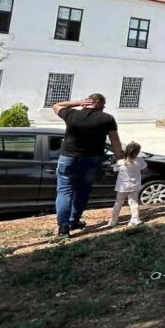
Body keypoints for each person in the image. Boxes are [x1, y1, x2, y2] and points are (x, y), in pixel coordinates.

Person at [51, 94, 123, 237]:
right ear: (97, 103)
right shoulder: (107, 119)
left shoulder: (72, 114)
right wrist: (119, 157)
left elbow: (56, 106)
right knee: (82, 191)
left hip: (68, 158)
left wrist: (78, 103)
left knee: (64, 192)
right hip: (92, 159)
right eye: (103, 104)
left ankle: (63, 227)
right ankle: (74, 220)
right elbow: (114, 140)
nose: (104, 107)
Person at [107, 141, 147, 227]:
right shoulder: (140, 161)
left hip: (122, 187)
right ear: (137, 152)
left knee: (118, 203)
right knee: (134, 202)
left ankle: (113, 221)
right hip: (135, 186)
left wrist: (112, 164)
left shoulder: (121, 162)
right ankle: (135, 219)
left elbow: (113, 169)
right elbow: (145, 170)